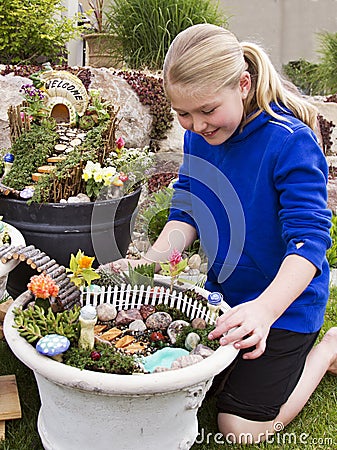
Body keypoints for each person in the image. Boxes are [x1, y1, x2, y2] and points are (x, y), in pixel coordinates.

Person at [105, 24, 337, 444]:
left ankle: (326, 351)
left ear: (243, 85)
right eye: (183, 114)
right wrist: (149, 263)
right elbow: (187, 209)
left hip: (283, 307)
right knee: (171, 378)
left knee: (237, 428)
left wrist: (264, 312)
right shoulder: (199, 136)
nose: (196, 125)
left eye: (207, 110)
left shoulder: (290, 143)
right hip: (224, 299)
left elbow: (311, 241)